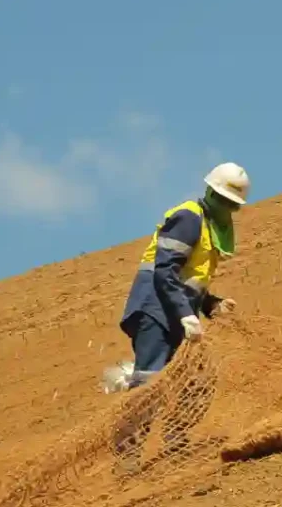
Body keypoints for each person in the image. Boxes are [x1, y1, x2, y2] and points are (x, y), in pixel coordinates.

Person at [105, 162, 251, 392]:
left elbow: (189, 281)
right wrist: (186, 315)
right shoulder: (189, 218)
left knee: (186, 386)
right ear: (211, 192)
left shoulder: (208, 227)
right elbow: (164, 271)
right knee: (149, 384)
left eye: (232, 204)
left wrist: (212, 304)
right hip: (155, 309)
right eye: (224, 200)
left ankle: (169, 424)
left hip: (174, 314)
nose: (227, 207)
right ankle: (135, 423)